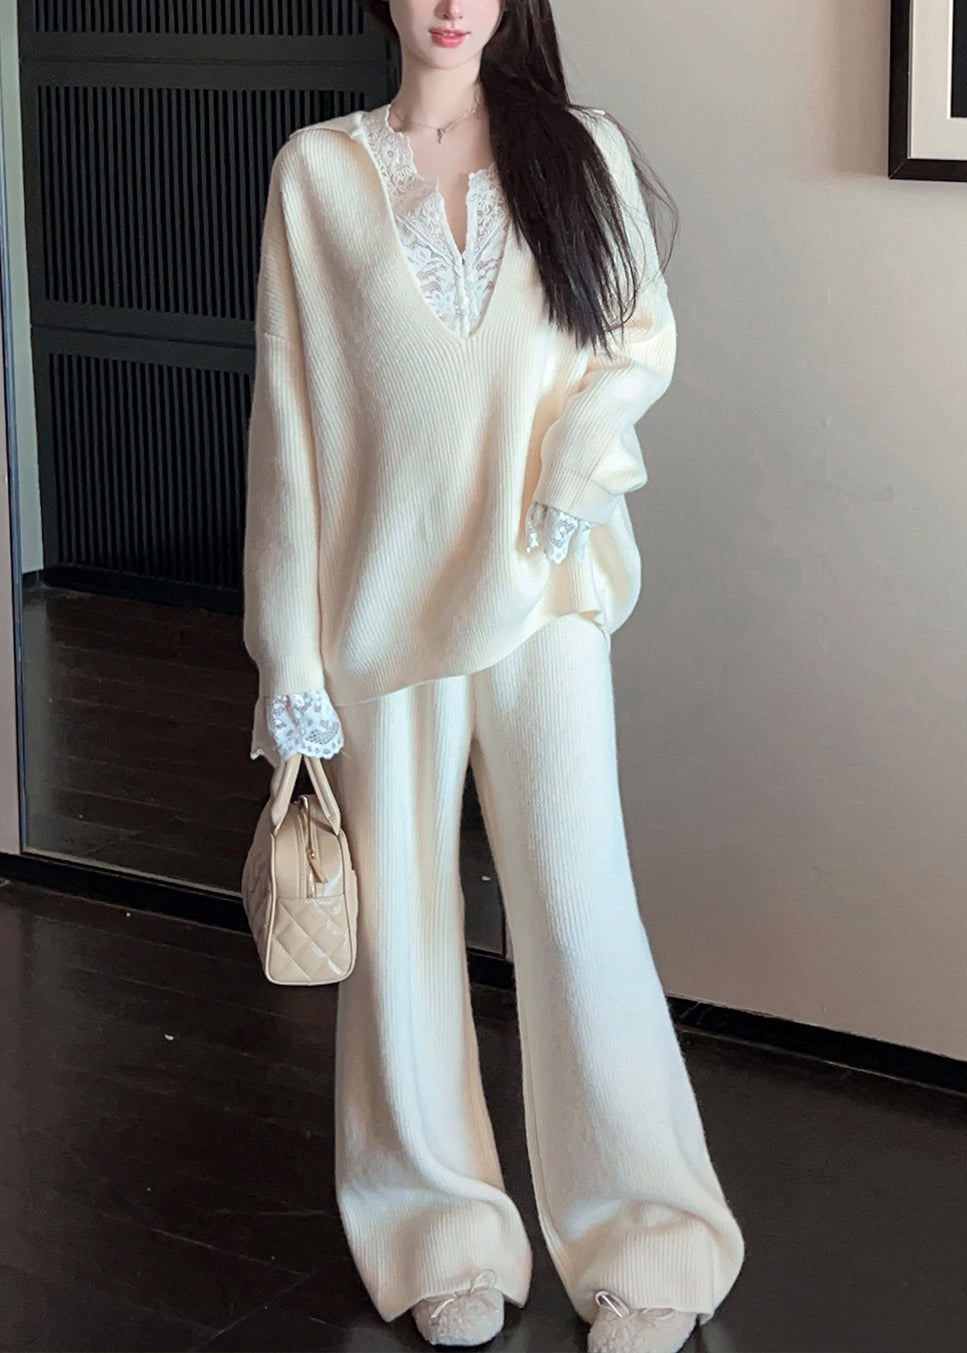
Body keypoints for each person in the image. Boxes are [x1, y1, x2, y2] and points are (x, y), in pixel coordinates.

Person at [241, 2, 746, 1350]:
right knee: (403, 929)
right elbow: (288, 421)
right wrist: (287, 650)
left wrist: (579, 463)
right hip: (377, 614)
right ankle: (437, 1228)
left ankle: (646, 1233)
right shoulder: (317, 175)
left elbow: (636, 342)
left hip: (543, 594)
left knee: (580, 912)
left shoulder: (577, 150)